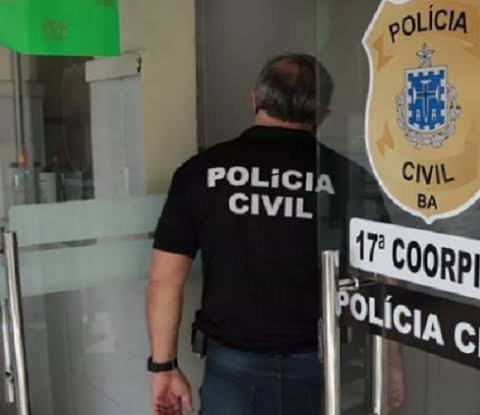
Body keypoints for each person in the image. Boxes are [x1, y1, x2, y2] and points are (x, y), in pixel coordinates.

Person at [146, 54, 404, 415]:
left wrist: (164, 366)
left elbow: (165, 280)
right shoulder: (349, 177)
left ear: (254, 100)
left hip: (231, 368)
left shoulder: (200, 172)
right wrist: (391, 363)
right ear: (323, 115)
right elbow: (387, 279)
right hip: (321, 365)